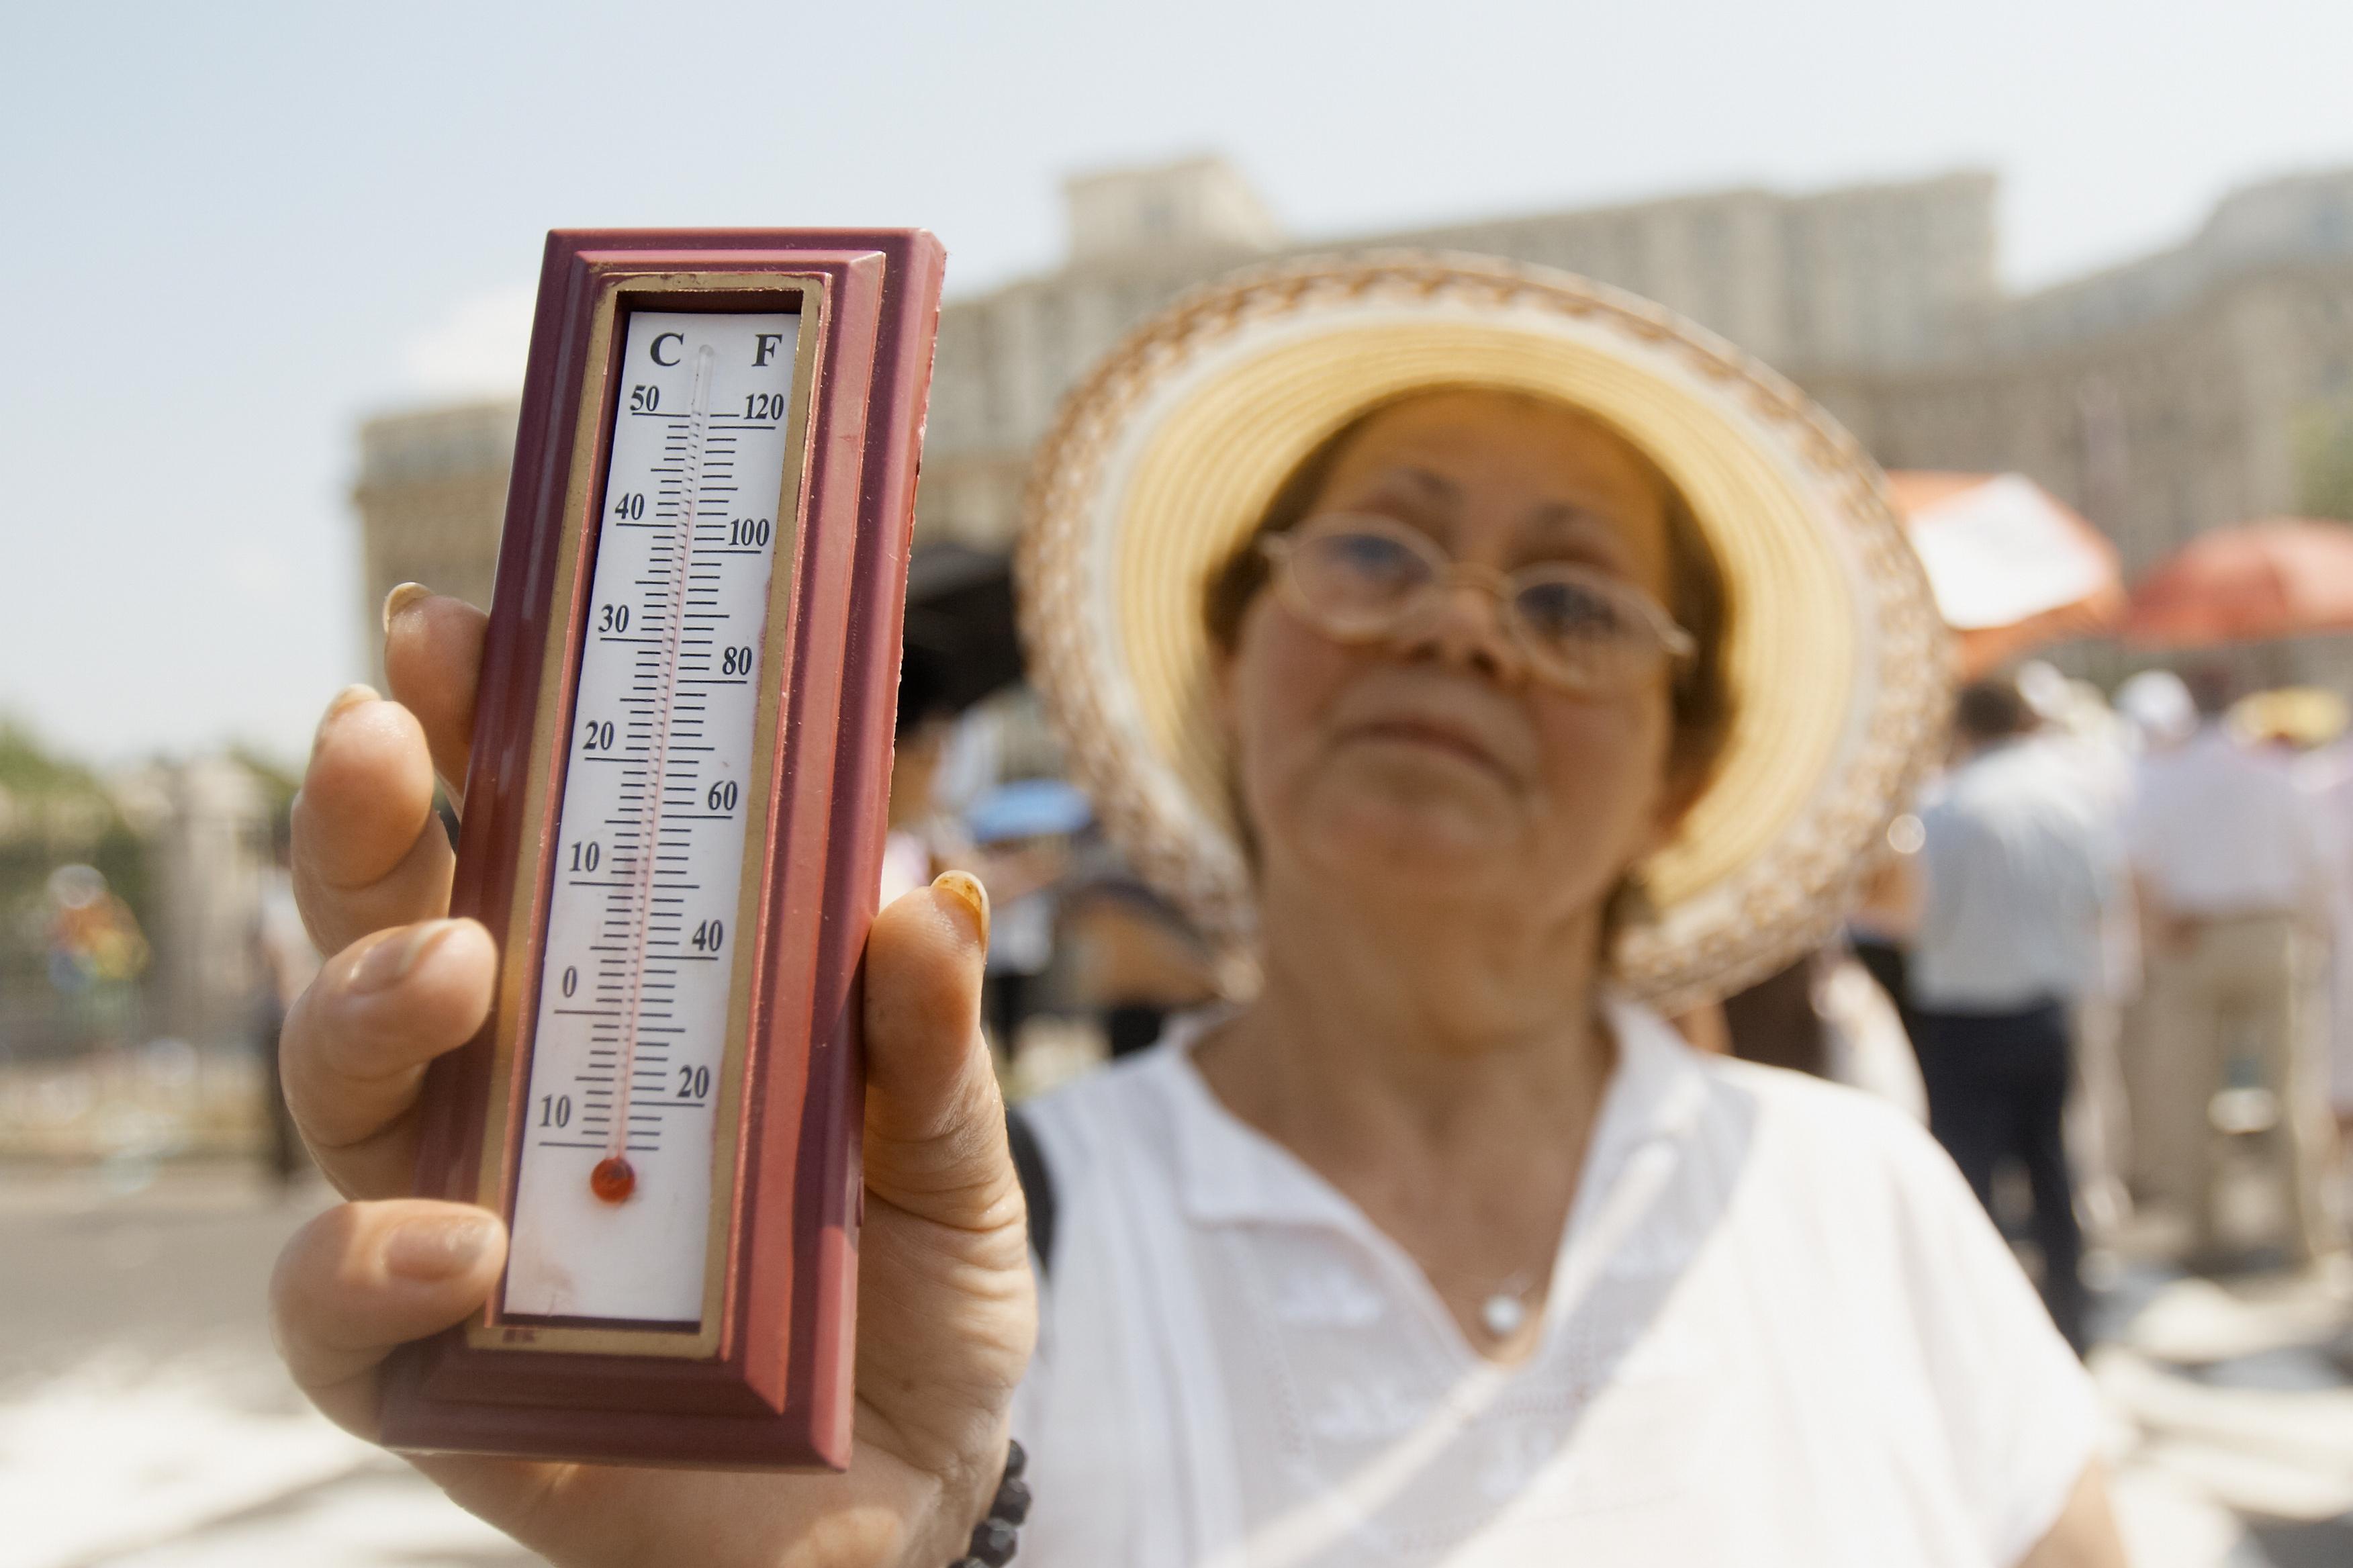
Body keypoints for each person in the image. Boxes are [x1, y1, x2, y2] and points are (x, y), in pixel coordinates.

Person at [265, 257, 2124, 1565]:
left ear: (1681, 766)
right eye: (1379, 548)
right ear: (1237, 657)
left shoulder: (1867, 1197)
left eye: (1567, 600)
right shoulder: (936, 1269)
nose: (1456, 623)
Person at [1908, 678, 2121, 1350]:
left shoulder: (1949, 809)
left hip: (1970, 1022)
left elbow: (1920, 915)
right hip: (2048, 1013)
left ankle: (1988, 1337)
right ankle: (2072, 1320)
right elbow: (2098, 901)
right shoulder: (2069, 799)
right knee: (2053, 1171)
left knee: (1972, 1189)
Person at [2127, 669, 2342, 1269]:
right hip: (2268, 932)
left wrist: (2158, 931)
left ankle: (2201, 1232)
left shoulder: (2167, 780)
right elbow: (2317, 862)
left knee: (2190, 1091)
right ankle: (2306, 1234)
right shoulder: (2276, 775)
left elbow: (2137, 862)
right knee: (2292, 1088)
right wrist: (2310, 928)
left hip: (2194, 935)